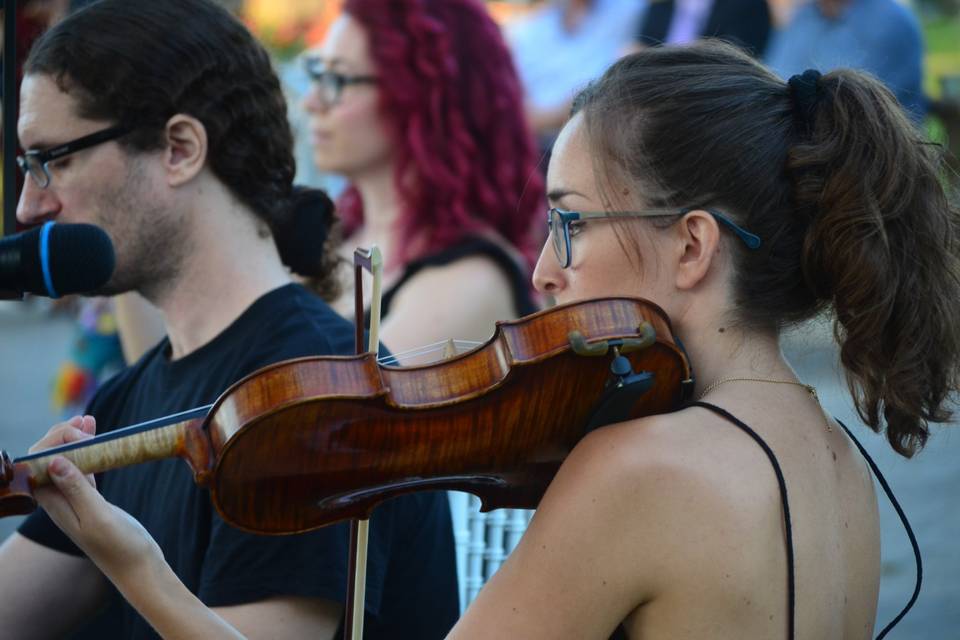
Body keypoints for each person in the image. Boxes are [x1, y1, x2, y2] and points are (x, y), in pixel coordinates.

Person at [19, 40, 960, 638]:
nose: (543, 270)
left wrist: (134, 561)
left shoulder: (643, 469)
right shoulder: (842, 466)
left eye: (571, 223)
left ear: (692, 245)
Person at [0, 1, 458, 639]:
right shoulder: (129, 401)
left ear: (180, 148)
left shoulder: (311, 395)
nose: (28, 206)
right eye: (26, 166)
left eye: (52, 158)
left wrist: (132, 564)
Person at [305, 0, 544, 361]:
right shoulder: (328, 241)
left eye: (338, 79)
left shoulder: (471, 279)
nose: (312, 102)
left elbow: (330, 413)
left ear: (416, 96)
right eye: (318, 74)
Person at [764, 0, 926, 121]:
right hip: (801, 144)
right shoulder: (803, 16)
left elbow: (852, 112)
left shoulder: (888, 22)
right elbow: (772, 80)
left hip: (865, 154)